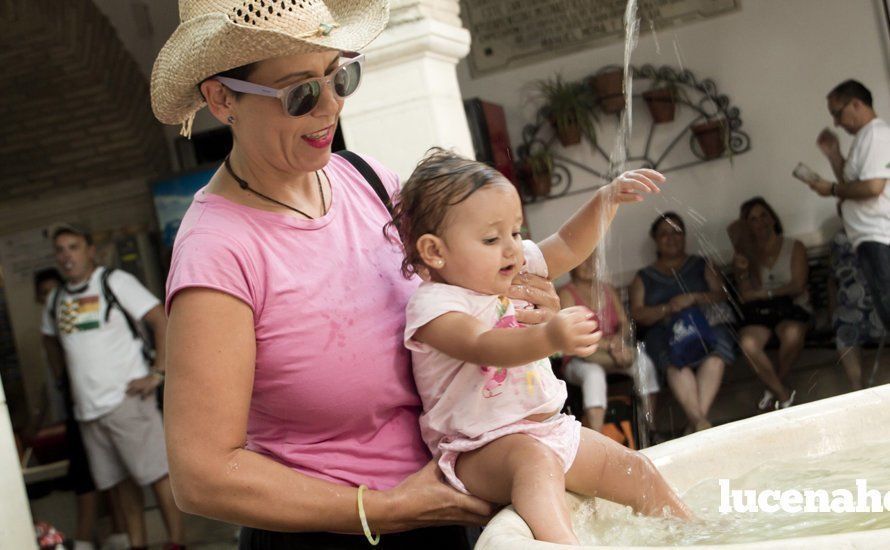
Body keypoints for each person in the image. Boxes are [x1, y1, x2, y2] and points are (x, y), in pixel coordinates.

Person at [152, 2, 564, 548]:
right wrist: (383, 509)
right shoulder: (218, 250)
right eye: (301, 93)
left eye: (340, 75)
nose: (331, 106)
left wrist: (521, 310)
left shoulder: (371, 181)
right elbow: (202, 476)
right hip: (337, 533)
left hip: (450, 505)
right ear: (222, 98)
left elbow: (464, 306)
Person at [391, 150, 690, 545]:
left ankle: (699, 533)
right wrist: (548, 338)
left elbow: (566, 243)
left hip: (549, 431)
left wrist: (606, 201)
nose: (513, 248)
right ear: (434, 252)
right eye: (491, 238)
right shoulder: (435, 305)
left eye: (515, 232)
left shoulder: (511, 269)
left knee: (639, 471)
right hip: (477, 450)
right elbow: (481, 344)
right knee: (535, 464)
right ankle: (563, 544)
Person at [41, 225, 184, 550]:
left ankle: (176, 542)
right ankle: (138, 544)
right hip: (88, 409)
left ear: (90, 250)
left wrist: (158, 373)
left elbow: (159, 319)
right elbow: (48, 338)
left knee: (157, 474)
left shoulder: (114, 282)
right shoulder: (57, 299)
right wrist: (62, 376)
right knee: (119, 484)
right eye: (60, 249)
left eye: (73, 247)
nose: (66, 256)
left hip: (127, 400)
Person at [629, 213, 734, 433]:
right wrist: (667, 308)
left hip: (705, 325)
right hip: (664, 331)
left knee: (716, 356)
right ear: (655, 239)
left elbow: (722, 295)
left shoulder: (702, 264)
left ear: (684, 236)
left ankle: (696, 422)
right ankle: (699, 423)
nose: (671, 237)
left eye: (676, 232)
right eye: (664, 233)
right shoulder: (643, 276)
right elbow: (637, 314)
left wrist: (693, 298)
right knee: (675, 362)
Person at [805, 80, 890, 332]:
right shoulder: (864, 138)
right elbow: (852, 185)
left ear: (856, 103)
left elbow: (873, 188)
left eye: (837, 113)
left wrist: (830, 189)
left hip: (880, 236)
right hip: (867, 237)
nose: (836, 123)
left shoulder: (876, 134)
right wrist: (833, 155)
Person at [557, 256, 660, 433]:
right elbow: (574, 333)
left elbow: (625, 323)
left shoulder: (607, 289)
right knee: (593, 375)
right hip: (580, 358)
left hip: (614, 353)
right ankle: (598, 437)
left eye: (593, 260)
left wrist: (619, 340)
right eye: (584, 260)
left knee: (644, 365)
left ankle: (649, 428)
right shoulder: (566, 293)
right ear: (572, 265)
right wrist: (610, 345)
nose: (589, 264)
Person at [731, 198, 809, 410]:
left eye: (764, 215)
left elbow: (797, 286)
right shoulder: (745, 254)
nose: (761, 222)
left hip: (792, 307)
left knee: (792, 335)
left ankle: (772, 387)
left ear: (773, 217)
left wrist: (765, 292)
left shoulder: (794, 246)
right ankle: (783, 395)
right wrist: (743, 271)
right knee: (748, 344)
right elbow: (746, 296)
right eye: (753, 219)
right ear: (748, 226)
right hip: (760, 313)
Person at [829, 227, 885, 390]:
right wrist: (831, 308)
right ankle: (857, 388)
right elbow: (831, 278)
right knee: (841, 320)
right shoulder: (839, 240)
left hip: (882, 301)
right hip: (852, 305)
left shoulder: (882, 229)